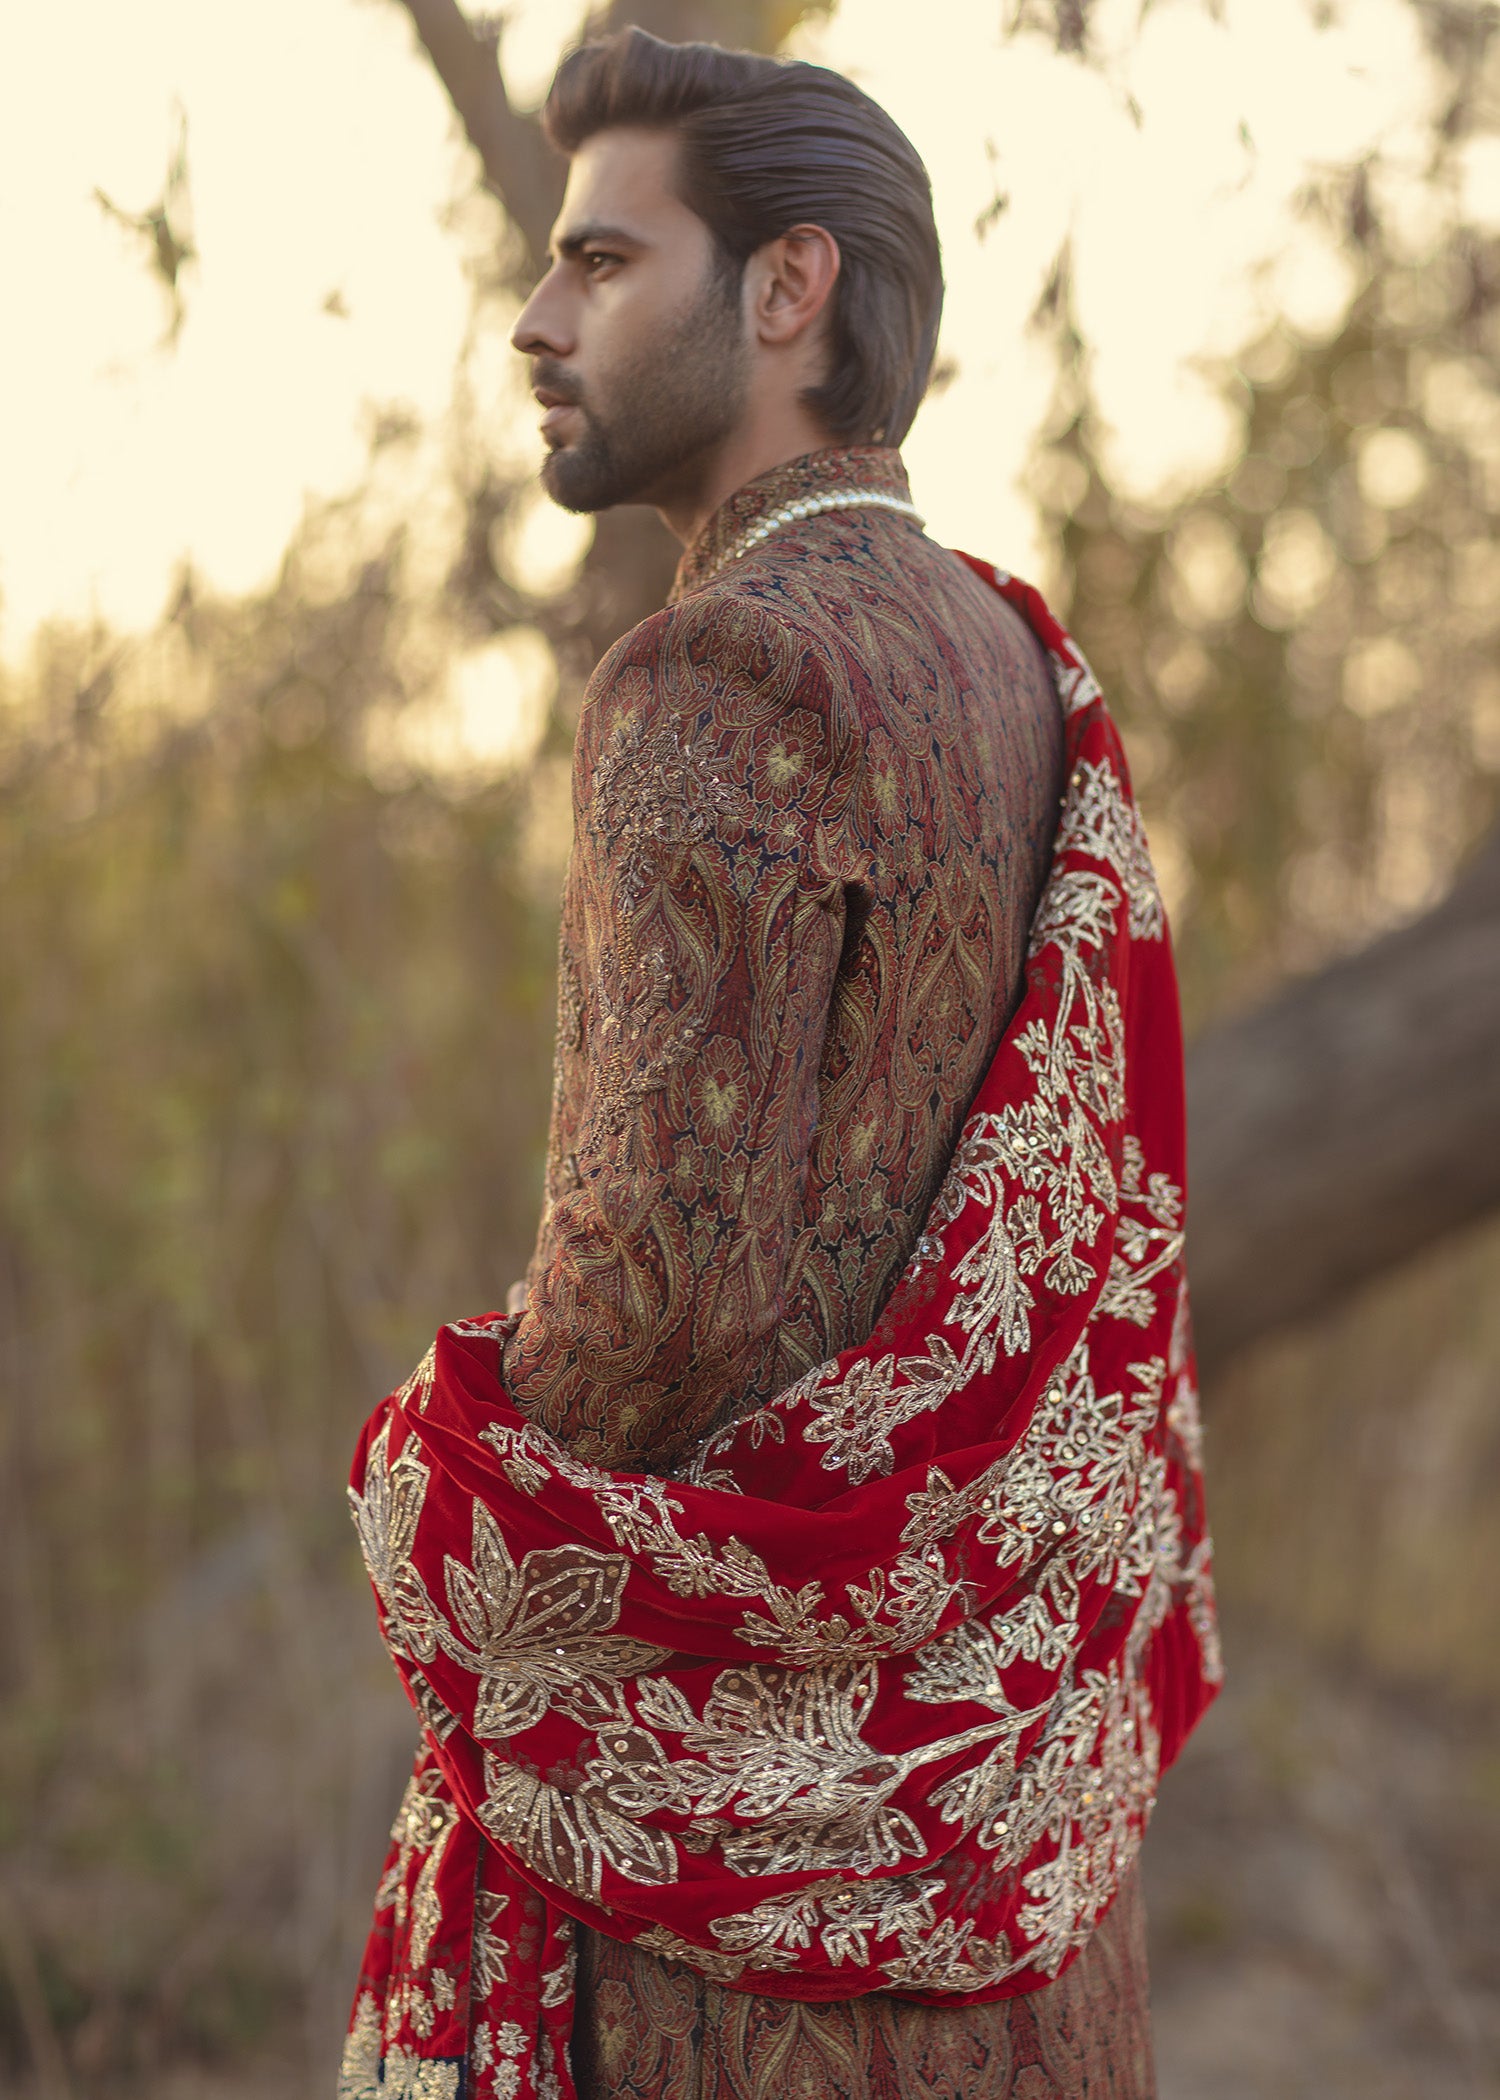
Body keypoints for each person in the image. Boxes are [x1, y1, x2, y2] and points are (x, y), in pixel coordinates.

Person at [341, 29, 1218, 2100]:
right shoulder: (1015, 661)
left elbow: (651, 1300)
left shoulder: (710, 671)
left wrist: (442, 1490)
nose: (539, 322)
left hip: (726, 1951)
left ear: (788, 291)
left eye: (602, 264)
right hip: (1008, 1886)